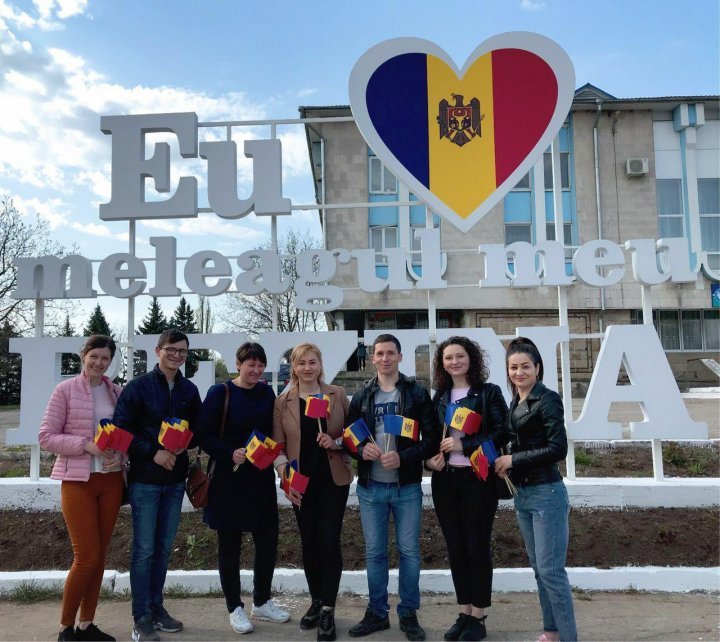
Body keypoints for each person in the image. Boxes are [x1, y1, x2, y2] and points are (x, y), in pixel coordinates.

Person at [194, 342, 290, 636]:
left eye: (260, 366)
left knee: (267, 540)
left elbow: (273, 431)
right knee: (230, 546)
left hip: (259, 477)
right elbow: (203, 434)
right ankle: (234, 607)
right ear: (238, 364)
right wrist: (227, 452)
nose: (256, 371)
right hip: (228, 477)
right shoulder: (219, 393)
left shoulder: (266, 393)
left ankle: (261, 601)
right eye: (251, 365)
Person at [112, 329, 202, 642]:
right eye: (172, 350)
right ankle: (141, 618)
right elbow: (120, 431)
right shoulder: (137, 388)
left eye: (183, 351)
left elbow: (197, 429)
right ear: (158, 350)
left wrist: (184, 445)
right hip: (146, 481)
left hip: (175, 481)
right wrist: (155, 452)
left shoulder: (189, 390)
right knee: (145, 550)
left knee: (163, 549)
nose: (177, 355)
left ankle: (157, 607)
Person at [346, 334, 436, 642]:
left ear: (400, 356)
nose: (385, 358)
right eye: (379, 353)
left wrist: (404, 456)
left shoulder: (416, 393)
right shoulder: (361, 396)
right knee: (375, 554)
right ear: (372, 359)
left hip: (406, 486)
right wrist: (361, 450)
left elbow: (431, 440)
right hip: (371, 488)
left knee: (409, 552)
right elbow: (350, 438)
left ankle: (408, 613)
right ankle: (377, 613)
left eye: (390, 353)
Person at [39, 335, 124, 642]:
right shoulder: (65, 390)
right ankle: (65, 627)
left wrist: (120, 455)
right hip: (77, 481)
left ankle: (87, 625)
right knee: (85, 556)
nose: (99, 363)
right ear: (83, 356)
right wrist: (86, 446)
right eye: (95, 356)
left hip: (111, 481)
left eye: (105, 358)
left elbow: (122, 434)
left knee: (99, 556)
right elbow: (46, 437)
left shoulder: (116, 392)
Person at [425, 337, 508, 641]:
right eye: (448, 358)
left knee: (476, 546)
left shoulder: (488, 393)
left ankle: (479, 615)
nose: (454, 362)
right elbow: (431, 435)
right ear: (441, 363)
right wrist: (429, 460)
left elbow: (503, 429)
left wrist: (465, 443)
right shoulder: (441, 397)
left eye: (459, 356)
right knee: (456, 548)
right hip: (445, 480)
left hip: (477, 478)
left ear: (471, 358)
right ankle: (463, 611)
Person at [494, 338, 578, 642]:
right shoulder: (515, 401)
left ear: (537, 368)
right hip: (523, 495)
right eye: (513, 367)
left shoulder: (547, 399)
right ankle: (552, 632)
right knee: (539, 570)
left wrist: (512, 459)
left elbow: (558, 448)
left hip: (547, 493)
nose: (519, 372)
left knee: (552, 572)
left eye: (525, 366)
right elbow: (505, 435)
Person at [272, 342, 353, 641]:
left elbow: (353, 431)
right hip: (300, 482)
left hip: (332, 479)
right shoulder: (283, 401)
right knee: (309, 543)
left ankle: (329, 610)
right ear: (293, 367)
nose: (308, 367)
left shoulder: (337, 394)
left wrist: (337, 441)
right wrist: (284, 476)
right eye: (301, 362)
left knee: (329, 540)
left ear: (321, 364)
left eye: (313, 362)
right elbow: (277, 447)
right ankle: (317, 600)